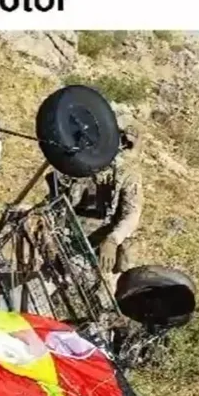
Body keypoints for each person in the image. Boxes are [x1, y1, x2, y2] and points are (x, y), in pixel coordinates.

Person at [47, 124, 144, 293]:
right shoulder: (80, 163)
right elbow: (56, 200)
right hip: (66, 236)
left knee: (100, 295)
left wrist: (113, 240)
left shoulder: (127, 174)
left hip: (100, 248)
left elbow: (132, 215)